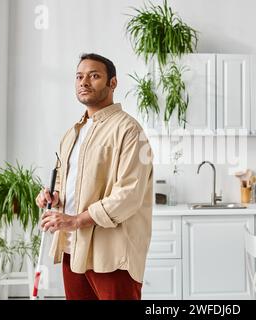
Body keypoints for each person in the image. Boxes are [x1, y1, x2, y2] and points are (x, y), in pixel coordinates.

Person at [35, 53, 154, 300]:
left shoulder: (130, 130)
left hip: (111, 254)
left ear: (113, 83)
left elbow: (129, 195)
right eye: (79, 76)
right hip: (73, 248)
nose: (84, 82)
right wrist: (54, 197)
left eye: (94, 76)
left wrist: (75, 220)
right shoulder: (72, 133)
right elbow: (66, 181)